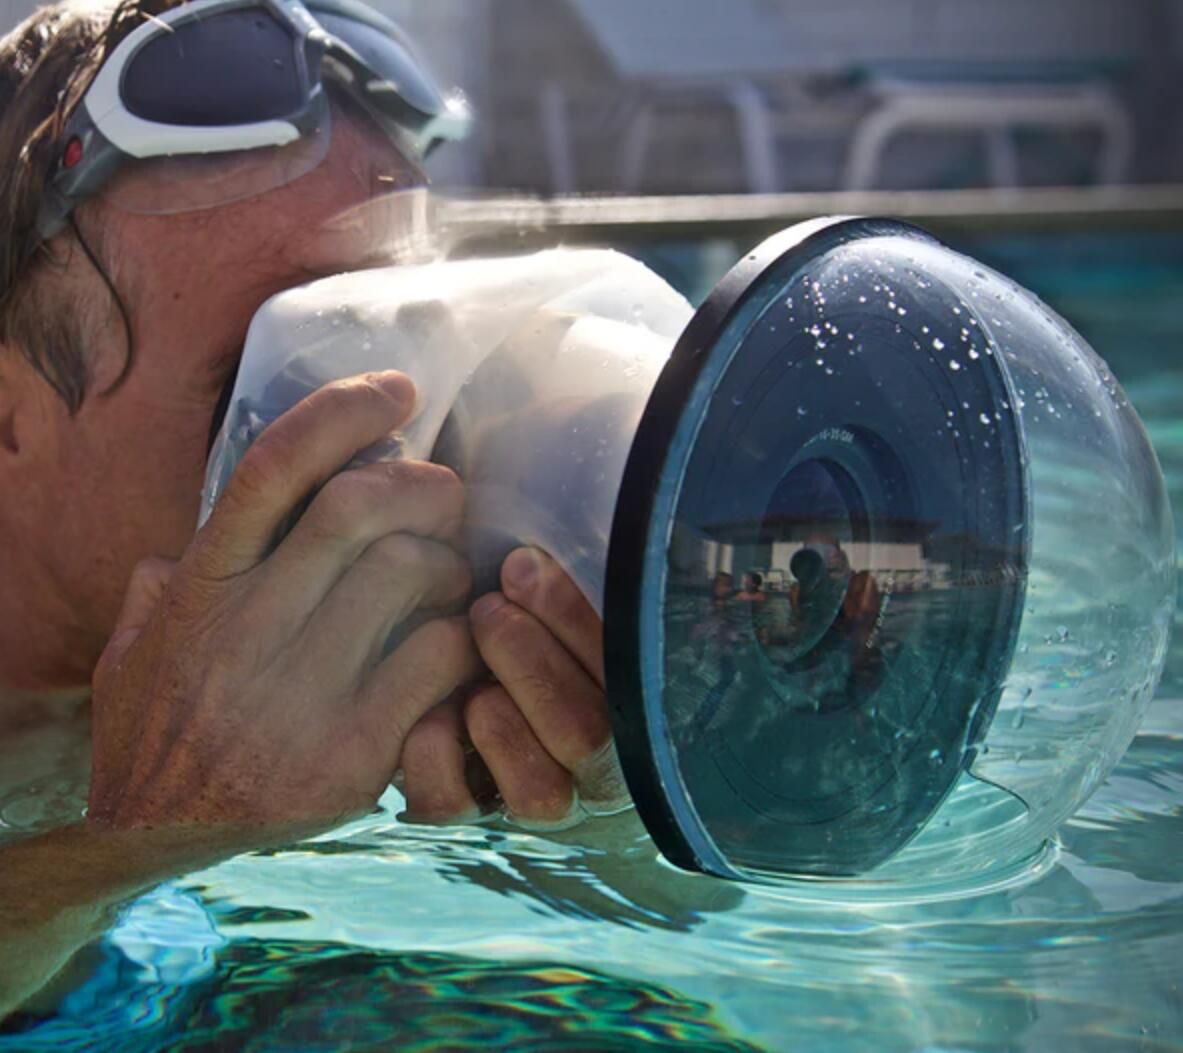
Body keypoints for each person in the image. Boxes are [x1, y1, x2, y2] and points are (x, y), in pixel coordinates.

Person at [0, 0, 612, 1016]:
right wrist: (148, 835)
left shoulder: (438, 565)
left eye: (400, 336)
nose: (388, 431)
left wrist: (610, 811)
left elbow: (701, 925)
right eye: (273, 370)